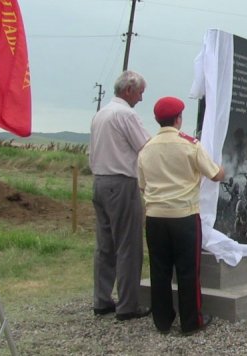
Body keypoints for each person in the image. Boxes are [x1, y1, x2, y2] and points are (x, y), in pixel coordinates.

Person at [137, 97, 225, 335]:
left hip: (155, 216)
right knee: (187, 270)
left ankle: (162, 320)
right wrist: (222, 170)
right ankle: (191, 320)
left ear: (157, 120)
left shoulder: (147, 147)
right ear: (178, 119)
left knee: (159, 269)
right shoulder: (190, 144)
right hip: (184, 215)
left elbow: (142, 184)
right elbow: (215, 174)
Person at [89, 70, 151, 320]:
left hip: (100, 180)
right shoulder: (127, 115)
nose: (141, 98)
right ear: (129, 90)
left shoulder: (100, 114)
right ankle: (128, 304)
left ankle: (102, 299)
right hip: (122, 182)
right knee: (128, 245)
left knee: (105, 245)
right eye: (140, 92)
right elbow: (146, 147)